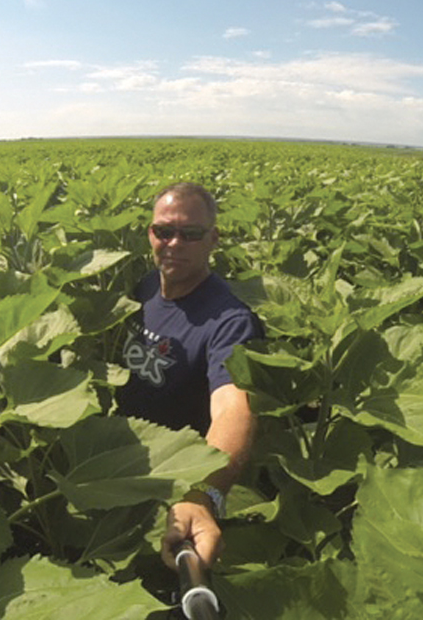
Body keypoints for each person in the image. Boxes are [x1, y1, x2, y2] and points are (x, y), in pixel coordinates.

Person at [116, 182, 263, 571]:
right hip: (119, 465)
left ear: (213, 238)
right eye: (164, 231)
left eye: (190, 233)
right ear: (150, 233)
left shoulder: (230, 321)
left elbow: (234, 408)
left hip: (172, 485)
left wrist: (202, 494)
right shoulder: (146, 287)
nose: (174, 243)